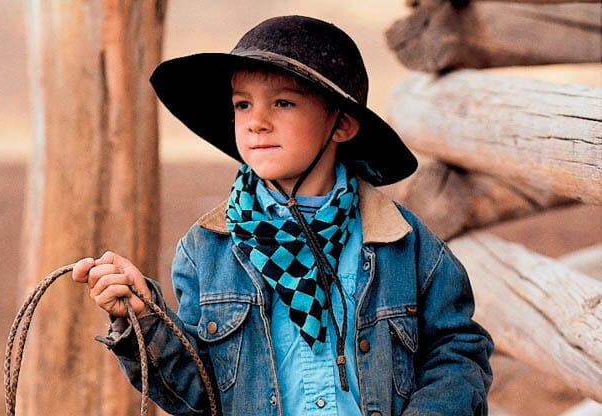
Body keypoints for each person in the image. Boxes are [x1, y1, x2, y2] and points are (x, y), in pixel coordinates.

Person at [72, 15, 493, 416]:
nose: (256, 122)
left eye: (283, 102)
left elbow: (458, 352)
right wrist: (144, 320)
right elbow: (199, 397)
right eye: (242, 105)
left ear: (342, 124)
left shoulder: (404, 243)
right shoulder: (206, 249)